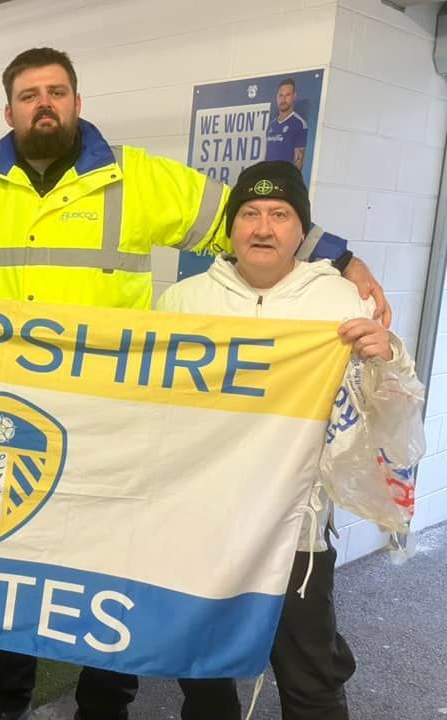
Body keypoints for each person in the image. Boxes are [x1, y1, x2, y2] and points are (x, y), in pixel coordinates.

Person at [0, 48, 391, 720]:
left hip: (108, 424)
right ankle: (5, 701)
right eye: (29, 95)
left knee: (107, 560)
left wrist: (343, 257)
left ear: (77, 103)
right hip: (6, 417)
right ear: (9, 111)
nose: (44, 104)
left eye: (56, 91)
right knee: (4, 562)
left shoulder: (141, 179)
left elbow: (250, 213)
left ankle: (103, 700)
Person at [157, 160, 420, 720]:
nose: (262, 227)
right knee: (201, 667)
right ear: (230, 228)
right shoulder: (181, 303)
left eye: (280, 214)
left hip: (295, 527)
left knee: (309, 676)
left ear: (303, 231)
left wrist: (389, 360)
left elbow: (389, 413)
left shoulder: (338, 303)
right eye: (249, 213)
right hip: (201, 520)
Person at [265, 78, 308, 170]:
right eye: (281, 95)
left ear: (294, 96)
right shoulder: (271, 125)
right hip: (268, 179)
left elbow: (299, 162)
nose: (283, 99)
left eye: (287, 95)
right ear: (277, 97)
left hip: (285, 179)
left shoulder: (299, 124)